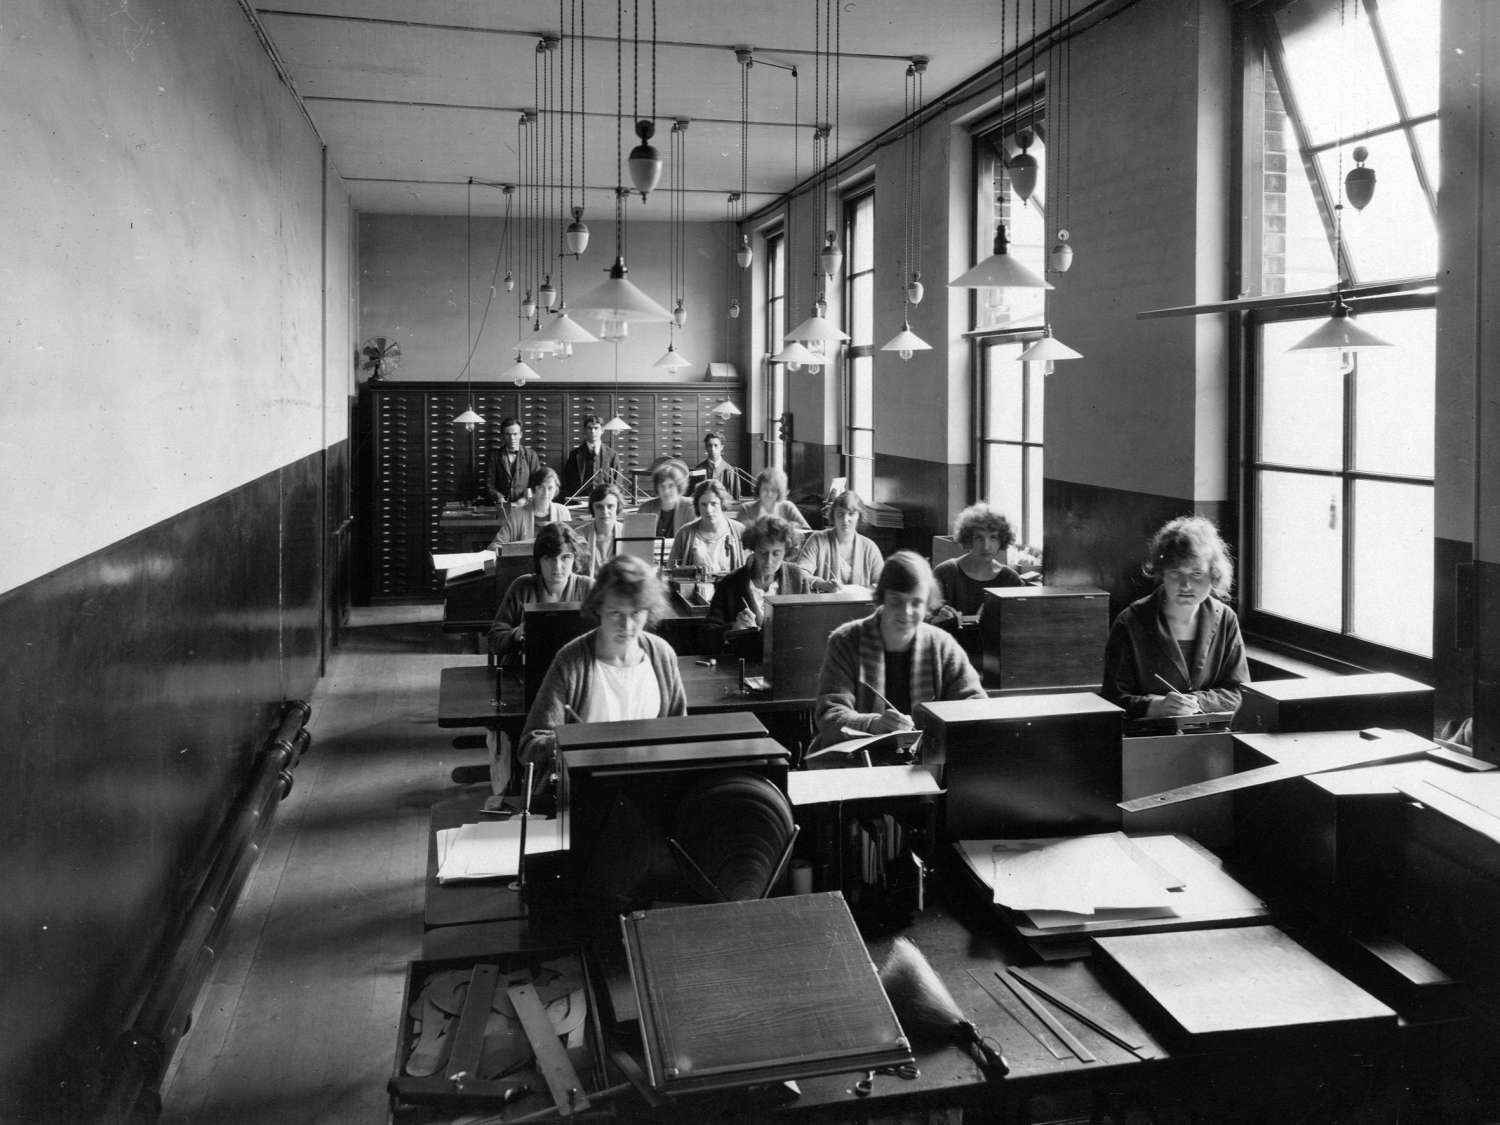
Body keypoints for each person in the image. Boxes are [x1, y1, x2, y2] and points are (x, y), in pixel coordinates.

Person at [518, 556, 688, 766]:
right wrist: (570, 742)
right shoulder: (571, 661)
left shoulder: (662, 655)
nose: (626, 626)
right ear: (598, 608)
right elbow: (530, 745)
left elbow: (680, 733)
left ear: (649, 610)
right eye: (615, 612)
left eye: (635, 613)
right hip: (587, 787)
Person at [814, 551, 985, 748]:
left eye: (916, 602)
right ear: (882, 597)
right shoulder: (845, 641)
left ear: (928, 604)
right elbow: (830, 714)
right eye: (896, 600)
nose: (906, 612)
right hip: (858, 761)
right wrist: (873, 724)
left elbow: (975, 704)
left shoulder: (942, 645)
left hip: (927, 762)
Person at [1103, 515, 1250, 720]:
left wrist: (1197, 702)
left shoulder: (1226, 619)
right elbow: (1112, 699)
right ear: (1162, 573)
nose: (1186, 585)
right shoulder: (1130, 622)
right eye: (1175, 573)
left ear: (1214, 574)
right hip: (1148, 737)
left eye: (1197, 573)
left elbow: (1239, 692)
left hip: (1211, 733)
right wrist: (1155, 706)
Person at [703, 516, 835, 655]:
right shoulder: (730, 583)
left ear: (786, 552)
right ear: (753, 549)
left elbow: (810, 625)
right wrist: (733, 628)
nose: (769, 561)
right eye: (763, 552)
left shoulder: (796, 577)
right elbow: (707, 635)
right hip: (741, 664)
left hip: (786, 662)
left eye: (776, 554)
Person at [487, 523, 594, 658]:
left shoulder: (589, 588)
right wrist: (517, 633)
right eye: (549, 558)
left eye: (565, 557)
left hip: (573, 671)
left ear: (574, 558)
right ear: (539, 560)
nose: (557, 566)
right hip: (524, 670)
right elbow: (494, 641)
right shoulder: (522, 587)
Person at [932, 502, 1025, 615]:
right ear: (968, 540)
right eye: (979, 538)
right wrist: (938, 619)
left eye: (993, 538)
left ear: (1002, 540)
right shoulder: (944, 573)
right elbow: (927, 620)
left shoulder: (1010, 579)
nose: (986, 546)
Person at [795, 489, 884, 587]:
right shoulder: (817, 540)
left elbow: (882, 582)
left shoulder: (869, 547)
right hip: (824, 601)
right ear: (833, 516)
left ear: (859, 516)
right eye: (840, 514)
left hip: (860, 602)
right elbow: (800, 573)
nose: (845, 520)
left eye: (851, 514)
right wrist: (821, 584)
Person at [669, 479, 746, 573]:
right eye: (703, 504)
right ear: (697, 506)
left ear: (722, 503)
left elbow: (749, 572)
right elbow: (671, 572)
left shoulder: (740, 531)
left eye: (714, 504)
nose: (708, 510)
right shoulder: (684, 533)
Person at [487, 467, 571, 548]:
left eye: (550, 488)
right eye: (541, 487)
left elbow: (572, 546)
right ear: (534, 489)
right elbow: (495, 545)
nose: (546, 493)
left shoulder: (563, 512)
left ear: (556, 490)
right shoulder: (517, 514)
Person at [485, 416, 541, 505]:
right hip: (503, 506)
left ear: (521, 434)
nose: (512, 438)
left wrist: (525, 498)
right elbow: (489, 484)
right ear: (503, 435)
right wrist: (499, 497)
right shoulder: (494, 456)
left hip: (525, 505)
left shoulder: (531, 455)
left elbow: (537, 483)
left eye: (515, 434)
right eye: (508, 434)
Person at [561, 415, 621, 498]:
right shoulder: (574, 455)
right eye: (589, 428)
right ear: (585, 431)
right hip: (580, 502)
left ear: (602, 430)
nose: (593, 431)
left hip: (604, 500)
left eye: (596, 428)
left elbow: (617, 483)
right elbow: (567, 481)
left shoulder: (612, 455)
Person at [575, 483, 624, 580]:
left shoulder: (628, 533)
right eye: (599, 507)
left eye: (610, 506)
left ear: (618, 507)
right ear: (592, 508)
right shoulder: (578, 535)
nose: (605, 512)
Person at [637, 459, 696, 539]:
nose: (666, 491)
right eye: (662, 486)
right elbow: (638, 539)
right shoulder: (646, 508)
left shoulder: (690, 507)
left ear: (678, 486)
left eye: (671, 486)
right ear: (657, 487)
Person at [737, 466, 810, 529]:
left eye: (773, 490)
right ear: (758, 489)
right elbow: (737, 534)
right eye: (765, 489)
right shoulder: (746, 509)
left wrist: (789, 527)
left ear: (779, 492)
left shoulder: (788, 507)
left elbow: (806, 529)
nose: (769, 494)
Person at [694, 430, 741, 500]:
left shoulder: (730, 471)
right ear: (706, 448)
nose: (713, 449)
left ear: (721, 447)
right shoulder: (699, 470)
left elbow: (735, 498)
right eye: (710, 445)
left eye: (716, 445)